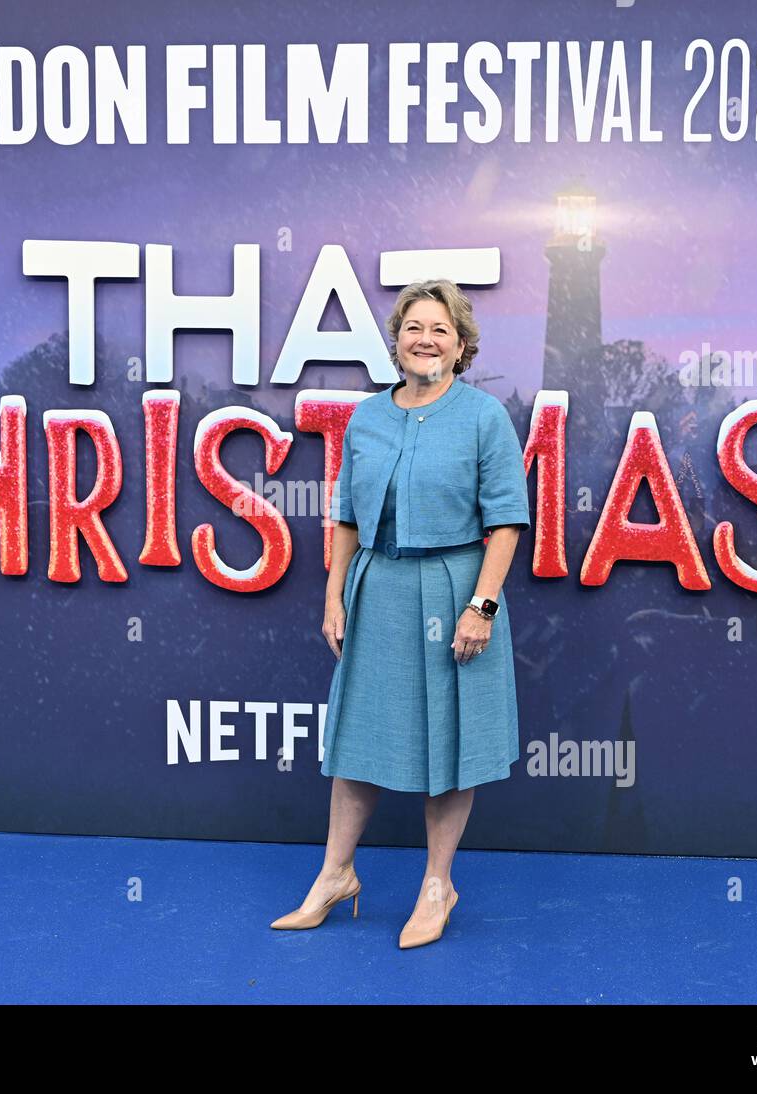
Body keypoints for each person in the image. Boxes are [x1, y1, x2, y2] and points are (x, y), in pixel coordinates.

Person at [270, 279, 531, 948]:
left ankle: (437, 886)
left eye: (440, 329)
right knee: (358, 742)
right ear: (396, 341)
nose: (426, 339)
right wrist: (334, 594)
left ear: (462, 344)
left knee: (448, 746)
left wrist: (483, 604)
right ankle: (335, 876)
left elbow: (505, 522)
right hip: (376, 589)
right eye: (414, 327)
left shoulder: (483, 418)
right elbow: (347, 515)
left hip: (455, 592)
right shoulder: (367, 418)